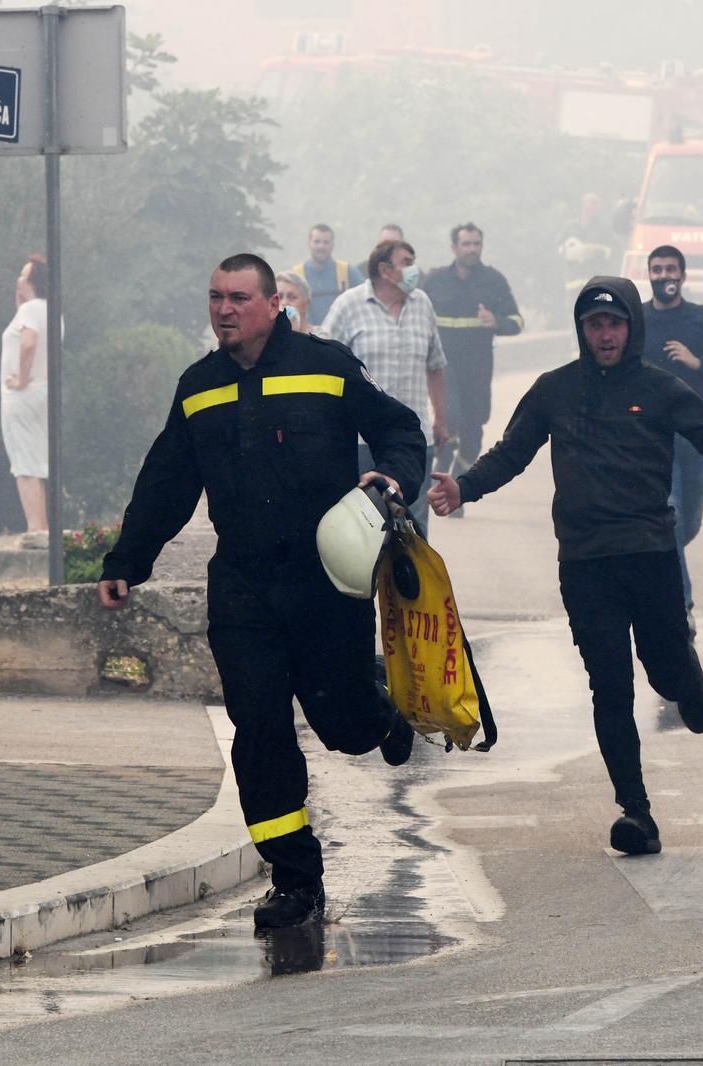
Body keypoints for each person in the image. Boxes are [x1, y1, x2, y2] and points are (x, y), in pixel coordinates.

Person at [97, 253, 427, 929]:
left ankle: (383, 712)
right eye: (215, 297)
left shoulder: (326, 366)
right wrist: (127, 560)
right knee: (260, 729)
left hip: (326, 583)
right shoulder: (200, 387)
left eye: (239, 298)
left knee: (344, 728)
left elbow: (398, 427)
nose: (224, 309)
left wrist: (392, 477)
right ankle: (295, 877)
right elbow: (166, 483)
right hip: (244, 586)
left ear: (273, 302)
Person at [428, 276, 703, 856]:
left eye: (615, 324)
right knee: (608, 686)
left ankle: (686, 679)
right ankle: (635, 812)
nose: (605, 334)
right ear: (582, 329)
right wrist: (464, 488)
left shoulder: (660, 388)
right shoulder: (554, 390)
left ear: (631, 327)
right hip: (586, 562)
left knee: (662, 672)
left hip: (651, 556)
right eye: (595, 324)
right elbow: (511, 453)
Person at [639, 244, 703, 627]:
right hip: (651, 435)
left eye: (671, 269)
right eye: (657, 269)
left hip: (695, 433)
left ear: (682, 276)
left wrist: (697, 362)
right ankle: (681, 607)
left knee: (689, 523)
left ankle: (660, 562)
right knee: (672, 515)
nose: (664, 276)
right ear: (648, 274)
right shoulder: (638, 320)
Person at [323, 238, 449, 535]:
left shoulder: (423, 304)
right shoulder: (349, 305)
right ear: (384, 269)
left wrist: (441, 420)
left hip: (417, 438)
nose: (413, 269)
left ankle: (411, 582)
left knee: (414, 526)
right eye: (406, 262)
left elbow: (435, 365)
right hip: (363, 441)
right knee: (364, 526)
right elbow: (327, 361)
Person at [421, 223, 524, 510]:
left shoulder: (494, 281)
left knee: (473, 429)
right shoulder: (435, 280)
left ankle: (456, 486)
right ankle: (440, 466)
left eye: (476, 244)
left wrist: (498, 322)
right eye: (466, 244)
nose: (471, 249)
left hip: (478, 369)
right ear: (454, 247)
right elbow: (413, 312)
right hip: (443, 367)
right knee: (450, 417)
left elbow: (517, 321)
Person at [0, 254, 52, 549]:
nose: (18, 279)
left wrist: (20, 378)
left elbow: (29, 342)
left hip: (23, 394)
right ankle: (41, 528)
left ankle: (35, 528)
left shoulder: (31, 310)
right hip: (42, 392)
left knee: (24, 463)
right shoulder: (46, 310)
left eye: (23, 275)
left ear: (32, 282)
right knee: (33, 459)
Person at [288, 224, 364, 325]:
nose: (321, 246)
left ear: (332, 245)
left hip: (341, 337)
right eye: (317, 242)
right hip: (306, 337)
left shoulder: (347, 272)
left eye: (326, 242)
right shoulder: (296, 275)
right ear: (309, 243)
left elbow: (366, 298)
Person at [275, 271, 327, 338]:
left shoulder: (320, 337)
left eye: (292, 297)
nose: (284, 302)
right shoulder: (268, 337)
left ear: (306, 303)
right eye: (280, 297)